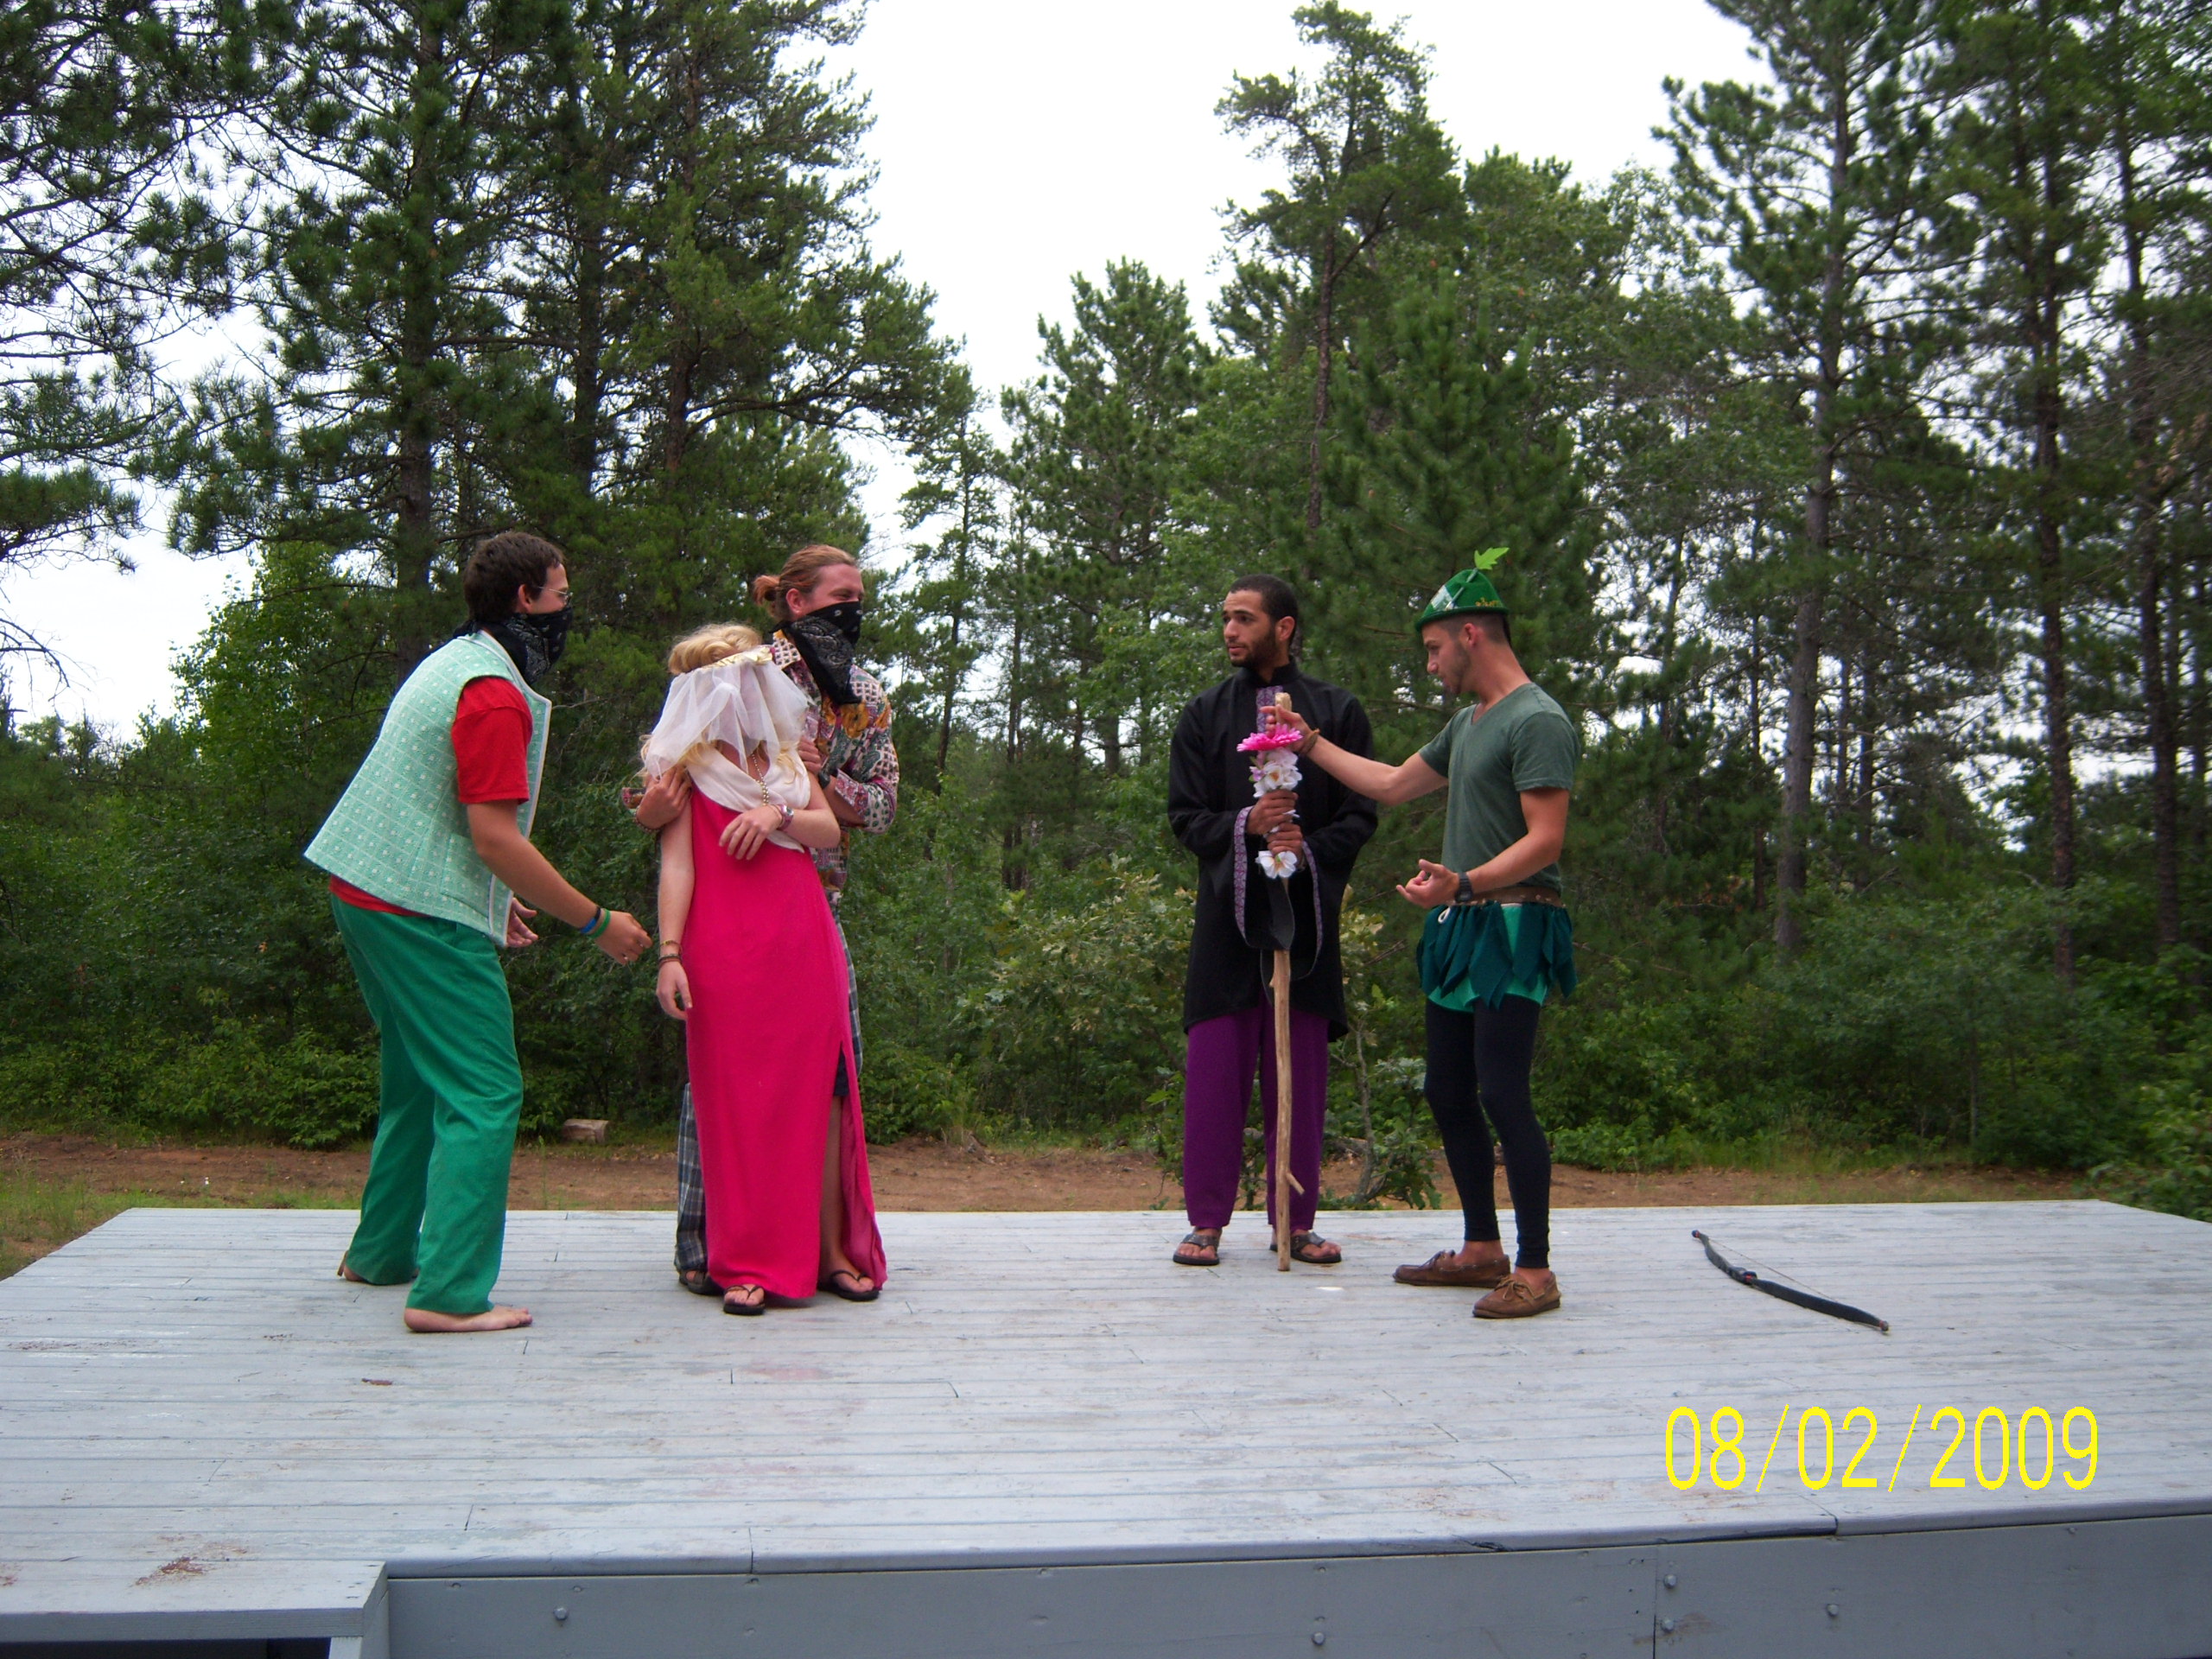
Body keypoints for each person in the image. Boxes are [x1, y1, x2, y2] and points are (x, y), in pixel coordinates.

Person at [307, 532, 651, 1333]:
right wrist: (597, 921)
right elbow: (494, 837)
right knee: (485, 1090)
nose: (568, 613)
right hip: (415, 910)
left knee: (417, 1079)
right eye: (563, 598)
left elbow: (436, 811)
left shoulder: (453, 661)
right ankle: (450, 1294)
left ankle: (381, 1253)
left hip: (366, 889)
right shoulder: (493, 694)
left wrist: (492, 900)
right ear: (526, 598)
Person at [1268, 560, 1578, 1319]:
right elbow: (1390, 783)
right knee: (1446, 1089)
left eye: (1435, 649)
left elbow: (1545, 839)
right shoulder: (1469, 723)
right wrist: (1308, 744)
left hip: (1513, 924)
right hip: (1462, 924)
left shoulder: (1537, 720)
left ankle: (1536, 1269)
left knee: (1503, 1092)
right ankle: (1482, 1248)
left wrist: (1464, 882)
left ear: (1471, 634)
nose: (1431, 665)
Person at [629, 545, 898, 1294]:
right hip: (727, 924)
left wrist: (800, 786)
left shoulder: (864, 695)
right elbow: (658, 792)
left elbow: (878, 807)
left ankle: (827, 1248)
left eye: (860, 598)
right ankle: (710, 1245)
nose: (852, 611)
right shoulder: (742, 663)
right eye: (840, 597)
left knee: (831, 1079)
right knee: (724, 1089)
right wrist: (651, 808)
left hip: (812, 910)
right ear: (796, 600)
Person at [1166, 576, 1377, 1268]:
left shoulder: (1336, 713)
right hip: (1226, 924)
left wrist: (1305, 847)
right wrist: (1246, 824)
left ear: (1283, 628)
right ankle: (1206, 1222)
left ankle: (1297, 1221)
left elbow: (1362, 813)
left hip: (1305, 924)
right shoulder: (1204, 714)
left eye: (1244, 618)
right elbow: (1184, 817)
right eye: (1225, 617)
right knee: (1215, 1073)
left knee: (1301, 1074)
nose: (1229, 630)